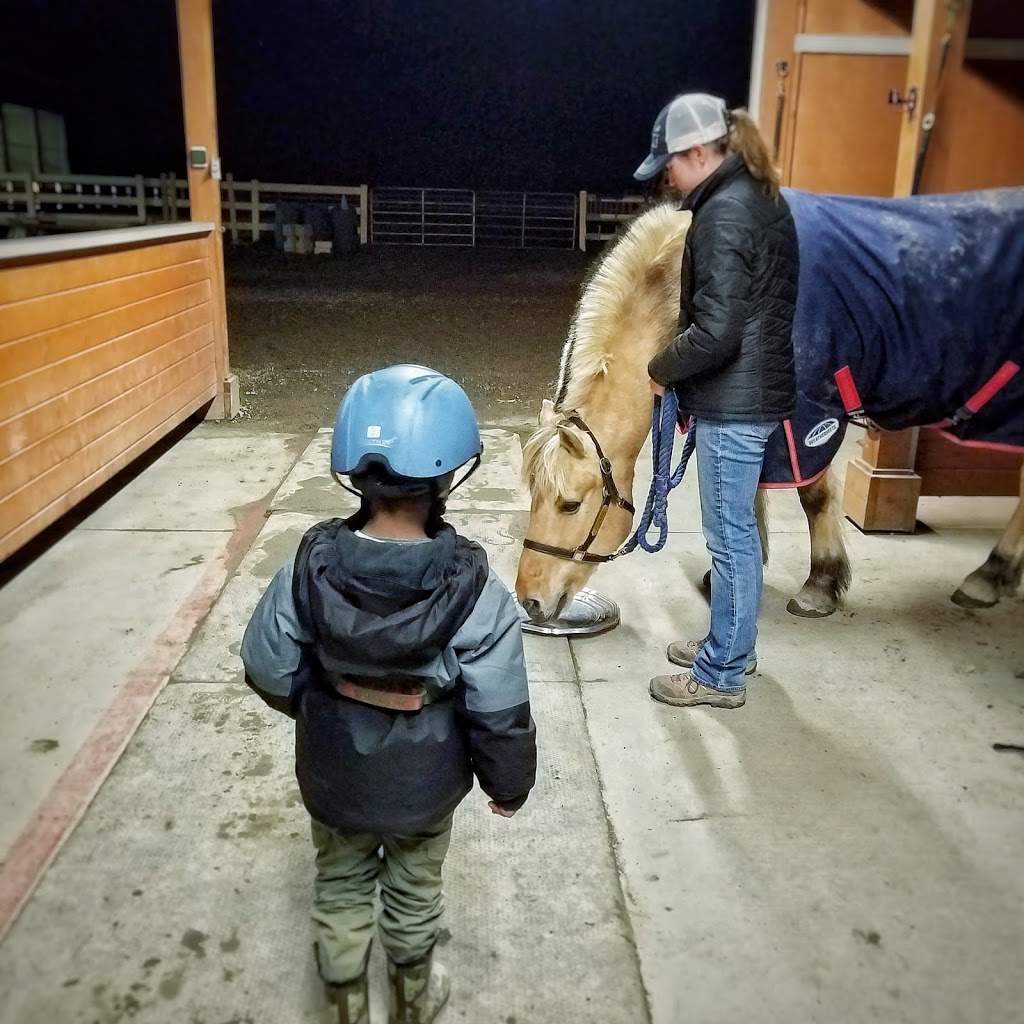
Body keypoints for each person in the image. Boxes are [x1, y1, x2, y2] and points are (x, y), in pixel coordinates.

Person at [241, 364, 537, 1024]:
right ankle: (412, 997)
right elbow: (499, 708)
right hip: (425, 786)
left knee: (340, 883)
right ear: (446, 475)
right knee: (414, 885)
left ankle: (345, 1004)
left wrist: (324, 704)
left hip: (335, 774)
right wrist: (508, 785)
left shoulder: (304, 569)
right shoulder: (478, 593)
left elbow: (266, 668)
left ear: (354, 470)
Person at [635, 93, 799, 710]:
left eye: (670, 166)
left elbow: (717, 330)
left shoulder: (725, 214)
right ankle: (734, 644)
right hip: (750, 394)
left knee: (729, 539)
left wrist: (661, 368)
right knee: (737, 537)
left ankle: (720, 673)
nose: (667, 180)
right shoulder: (757, 199)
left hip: (735, 402)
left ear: (699, 152)